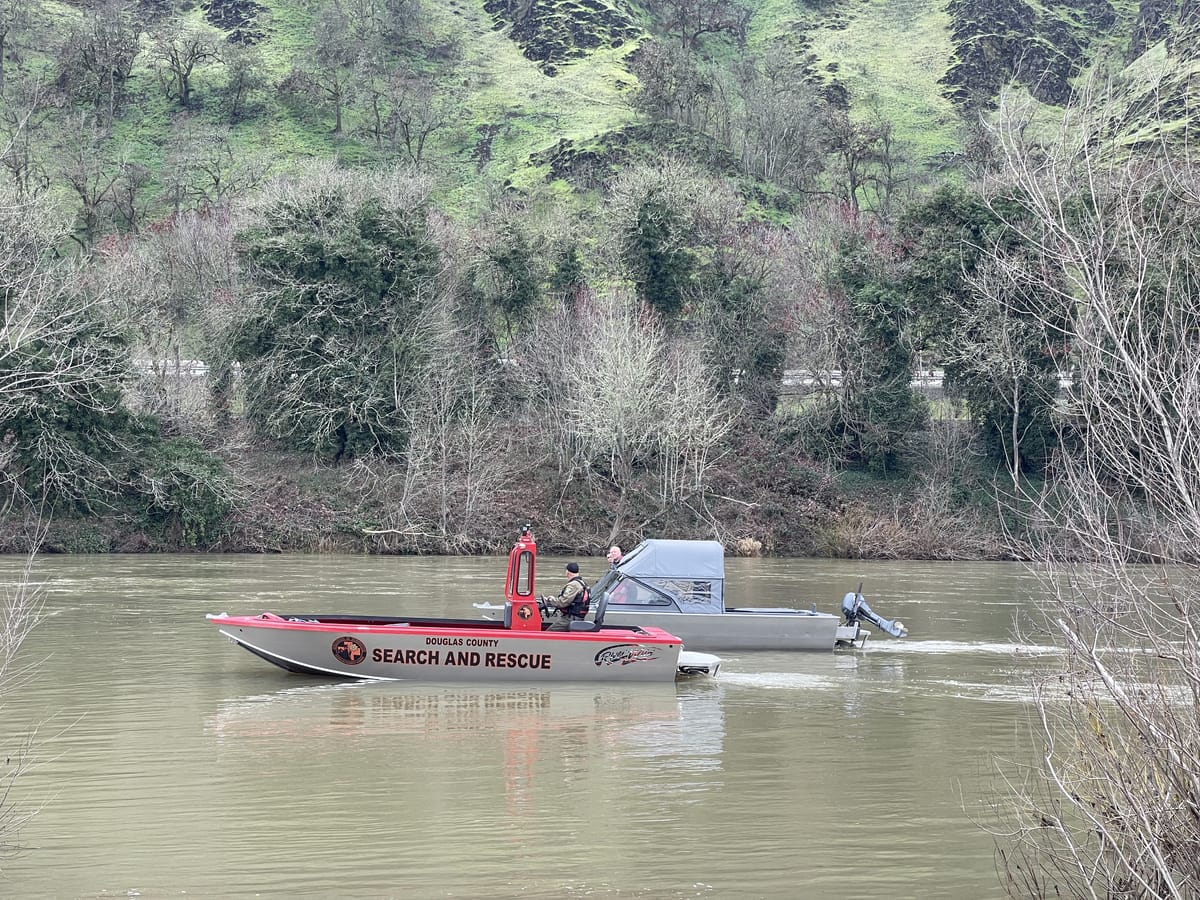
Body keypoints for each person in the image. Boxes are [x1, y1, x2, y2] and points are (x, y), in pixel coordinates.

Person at [540, 562, 589, 630]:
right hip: (575, 617)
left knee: (549, 633)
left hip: (569, 619)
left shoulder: (573, 585)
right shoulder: (582, 583)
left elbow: (562, 603)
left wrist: (550, 600)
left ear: (567, 572)